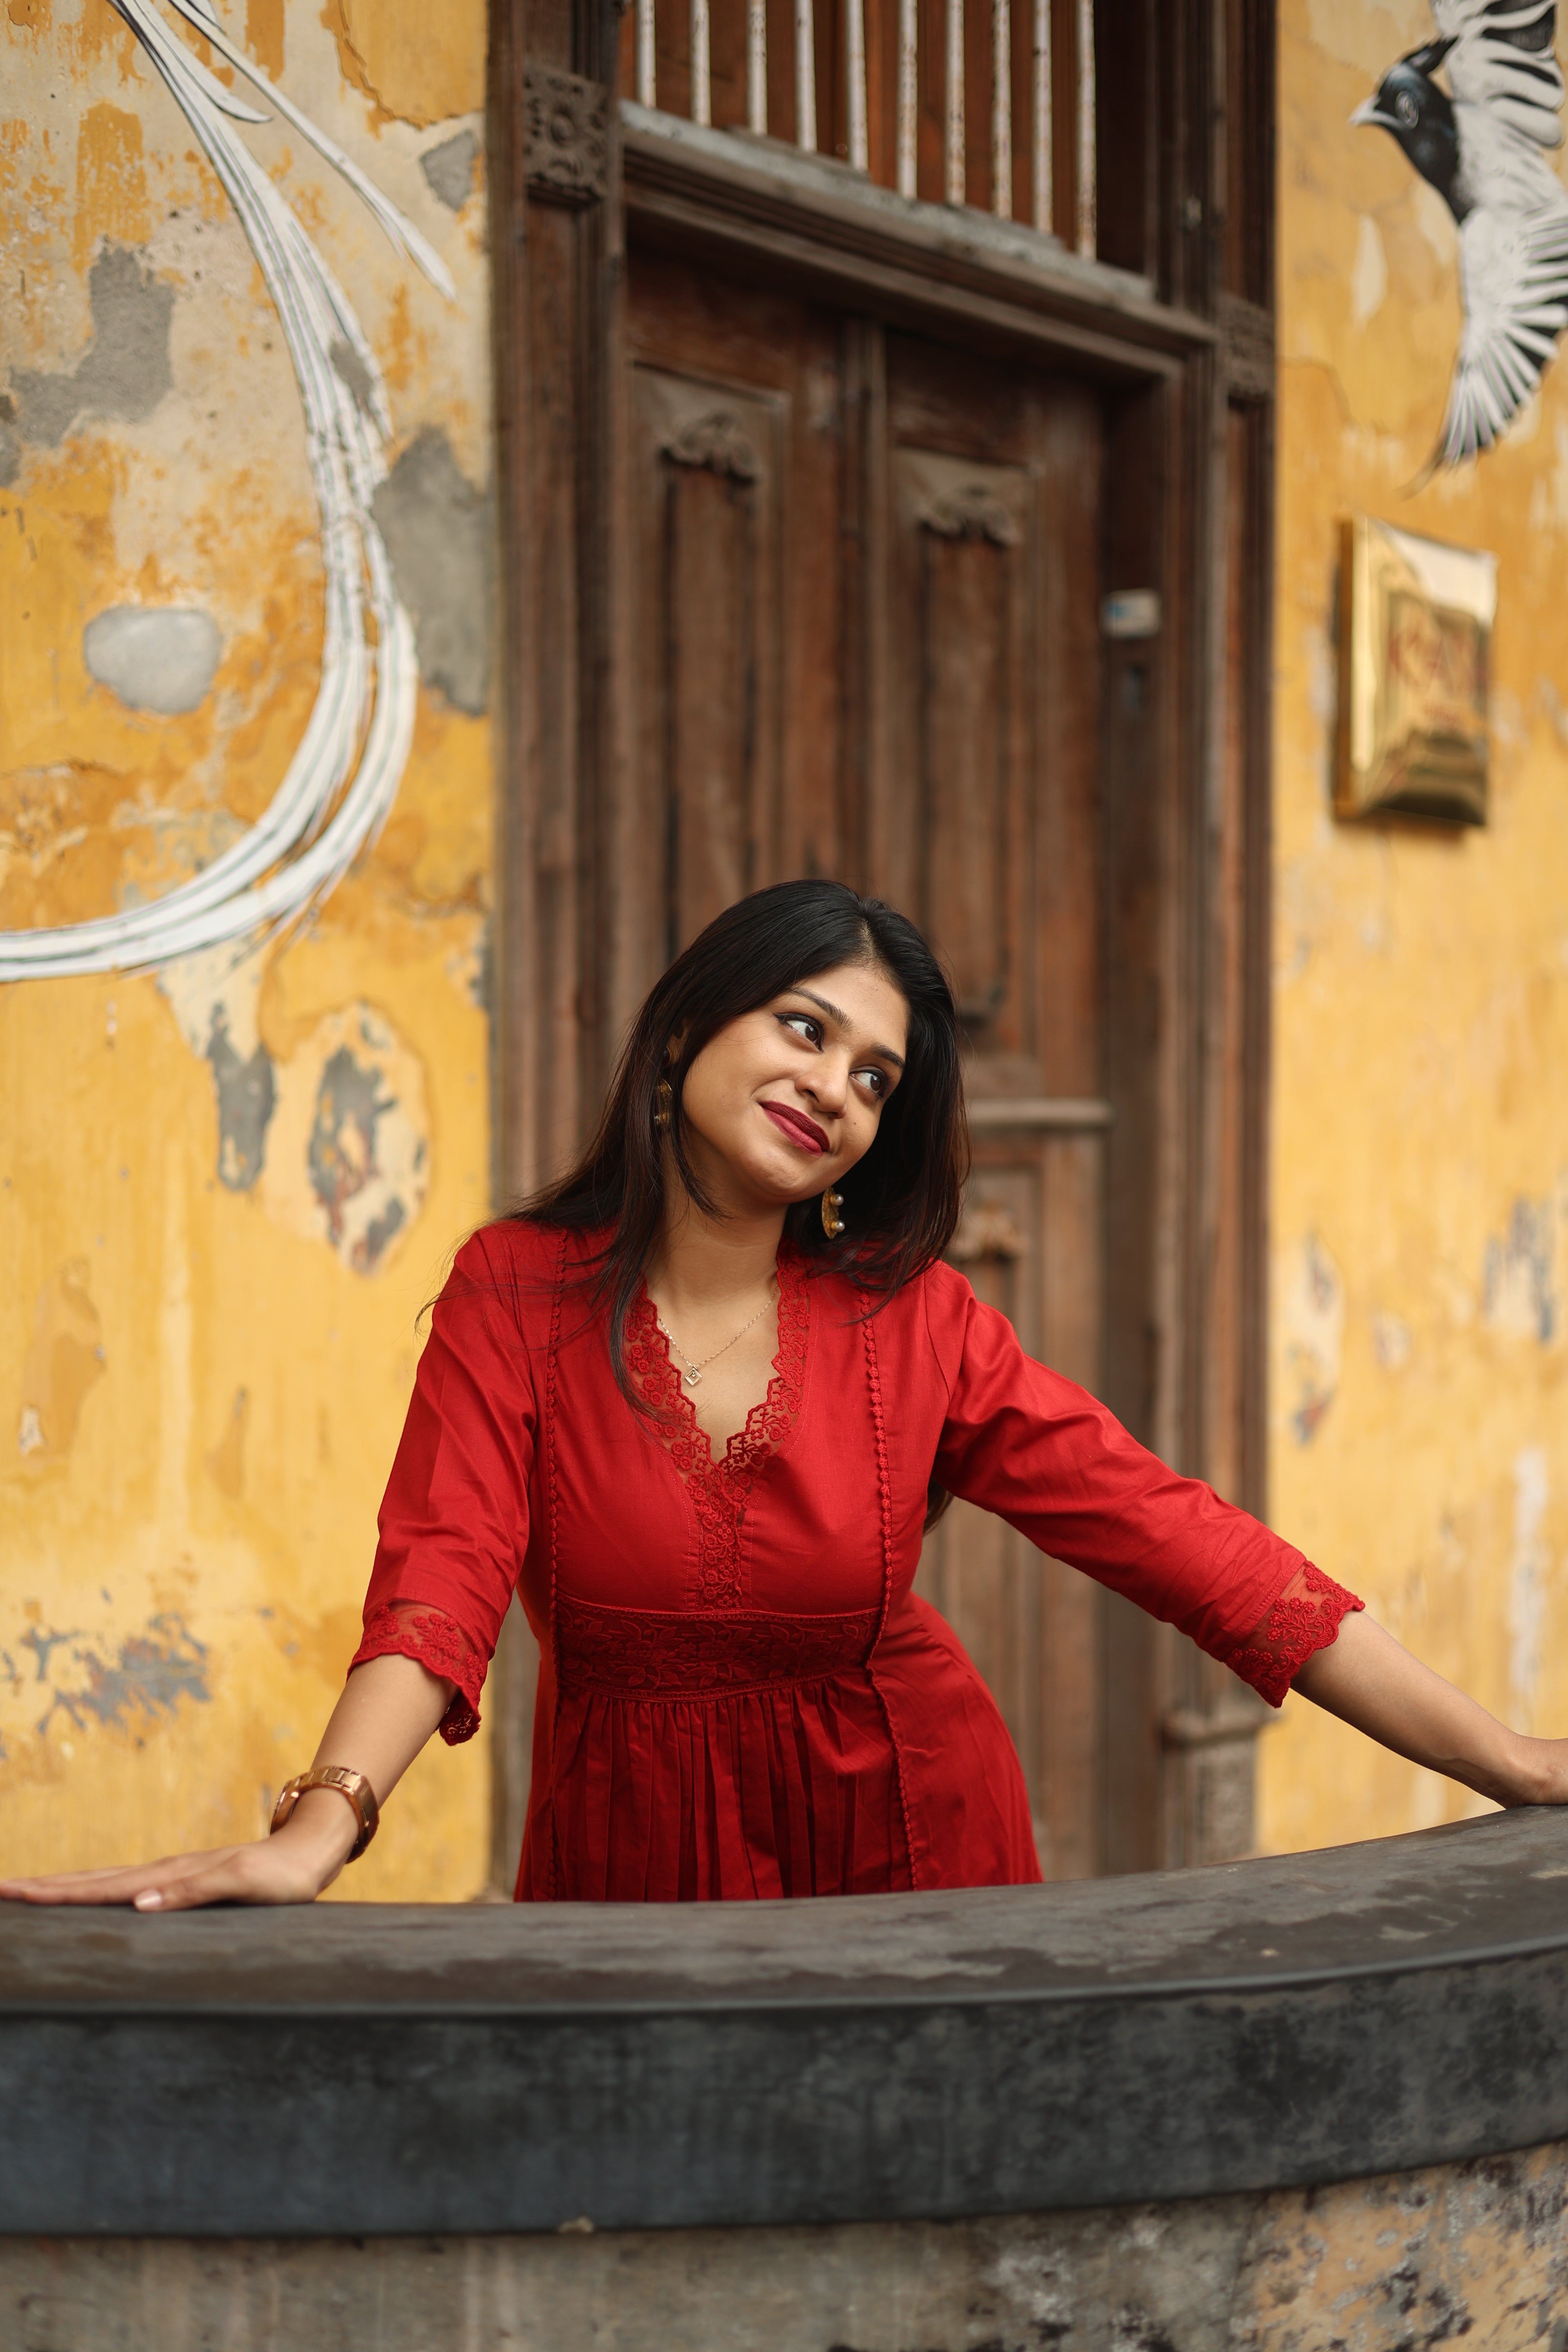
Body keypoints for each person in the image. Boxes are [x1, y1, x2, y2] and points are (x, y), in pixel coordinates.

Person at [5, 881, 1565, 1911]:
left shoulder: (920, 1326)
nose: (834, 1085)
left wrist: (1510, 1765)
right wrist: (316, 1830)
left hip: (912, 1838)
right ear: (688, 1030)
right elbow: (440, 1585)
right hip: (629, 1860)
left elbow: (1183, 1546)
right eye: (803, 1029)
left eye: (876, 1076)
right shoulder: (515, 1291)